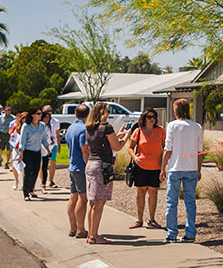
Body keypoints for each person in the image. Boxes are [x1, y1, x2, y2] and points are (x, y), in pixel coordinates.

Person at [82, 101, 125, 244]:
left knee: (92, 202)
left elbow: (102, 142)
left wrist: (118, 135)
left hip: (91, 164)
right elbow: (117, 146)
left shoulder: (89, 128)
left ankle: (91, 234)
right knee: (99, 203)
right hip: (102, 166)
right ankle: (94, 236)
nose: (109, 114)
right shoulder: (106, 127)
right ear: (102, 113)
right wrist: (126, 137)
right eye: (107, 111)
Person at [162, 98, 203, 243]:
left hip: (175, 167)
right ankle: (190, 233)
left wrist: (162, 168)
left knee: (171, 202)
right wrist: (198, 169)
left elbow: (168, 149)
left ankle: (171, 233)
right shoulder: (197, 127)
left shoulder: (172, 126)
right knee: (190, 202)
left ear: (177, 110)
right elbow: (200, 151)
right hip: (191, 168)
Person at [127, 110, 166, 228]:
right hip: (140, 167)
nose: (152, 119)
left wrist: (163, 165)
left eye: (154, 117)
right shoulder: (138, 131)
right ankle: (139, 220)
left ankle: (152, 219)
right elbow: (130, 148)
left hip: (155, 167)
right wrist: (134, 157)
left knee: (153, 193)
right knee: (140, 193)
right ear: (144, 118)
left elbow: (165, 148)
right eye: (149, 117)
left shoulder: (160, 131)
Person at [65, 103, 90, 238]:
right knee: (83, 198)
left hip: (72, 165)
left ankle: (72, 227)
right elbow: (84, 150)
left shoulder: (70, 128)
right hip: (81, 167)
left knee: (73, 197)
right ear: (88, 115)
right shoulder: (83, 130)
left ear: (75, 114)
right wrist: (88, 165)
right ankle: (81, 229)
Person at [19, 109, 47, 199]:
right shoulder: (26, 126)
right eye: (38, 114)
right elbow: (22, 141)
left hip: (37, 151)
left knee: (35, 171)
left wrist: (48, 150)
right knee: (28, 171)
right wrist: (21, 154)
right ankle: (25, 193)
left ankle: (31, 189)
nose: (40, 115)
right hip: (27, 152)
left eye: (40, 114)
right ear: (32, 115)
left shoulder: (42, 126)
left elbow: (44, 139)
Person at [43, 105, 61, 189]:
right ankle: (43, 180)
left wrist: (59, 146)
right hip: (43, 145)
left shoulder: (55, 121)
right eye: (47, 111)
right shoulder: (40, 122)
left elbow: (57, 134)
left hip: (53, 145)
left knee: (52, 162)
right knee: (42, 164)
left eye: (50, 110)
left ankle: (51, 180)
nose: (49, 112)